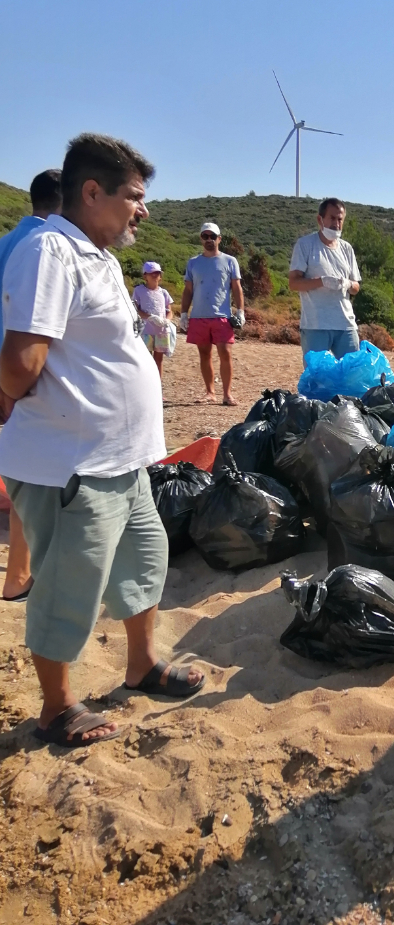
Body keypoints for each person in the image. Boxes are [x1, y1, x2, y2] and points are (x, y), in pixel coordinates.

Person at [0, 133, 204, 748]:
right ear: (92, 192)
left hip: (122, 460)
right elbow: (20, 361)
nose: (144, 209)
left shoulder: (98, 257)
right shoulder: (50, 252)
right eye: (134, 196)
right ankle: (57, 708)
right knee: (70, 584)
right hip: (72, 463)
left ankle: (141, 666)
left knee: (144, 560)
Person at [0, 169, 62, 602]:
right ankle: (19, 576)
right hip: (24, 376)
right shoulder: (47, 246)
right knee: (32, 472)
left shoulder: (7, 241)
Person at [180, 222, 245, 405]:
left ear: (219, 239)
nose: (209, 240)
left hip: (222, 316)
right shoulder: (193, 263)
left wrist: (240, 311)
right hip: (198, 316)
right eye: (205, 236)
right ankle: (210, 392)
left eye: (212, 236)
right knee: (204, 354)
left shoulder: (230, 261)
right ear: (201, 239)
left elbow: (236, 288)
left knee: (225, 353)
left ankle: (227, 394)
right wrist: (183, 313)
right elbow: (188, 290)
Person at [289, 198, 361, 360]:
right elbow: (293, 283)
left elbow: (356, 287)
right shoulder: (305, 245)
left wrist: (347, 283)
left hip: (346, 325)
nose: (336, 223)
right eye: (332, 218)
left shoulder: (346, 248)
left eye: (340, 219)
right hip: (315, 325)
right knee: (317, 374)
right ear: (320, 219)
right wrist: (322, 281)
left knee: (352, 372)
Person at [132, 262, 174, 378]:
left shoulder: (164, 292)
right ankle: (146, 383)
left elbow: (169, 311)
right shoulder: (139, 290)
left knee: (159, 360)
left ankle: (158, 384)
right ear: (145, 276)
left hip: (161, 332)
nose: (155, 276)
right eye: (152, 273)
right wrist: (150, 317)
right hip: (146, 331)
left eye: (157, 273)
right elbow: (135, 309)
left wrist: (167, 320)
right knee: (146, 359)